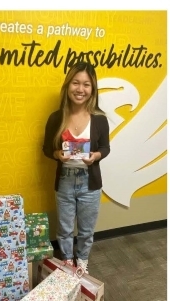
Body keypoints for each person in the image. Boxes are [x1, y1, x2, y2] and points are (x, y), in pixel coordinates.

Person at [41, 61, 110, 275]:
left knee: (86, 230)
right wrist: (57, 154)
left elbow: (106, 148)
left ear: (92, 89)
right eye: (76, 83)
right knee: (64, 229)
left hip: (90, 181)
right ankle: (67, 261)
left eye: (86, 85)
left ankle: (82, 262)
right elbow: (46, 148)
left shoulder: (99, 119)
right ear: (67, 85)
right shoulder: (56, 117)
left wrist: (95, 155)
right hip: (65, 181)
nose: (80, 89)